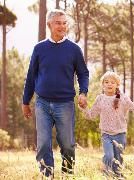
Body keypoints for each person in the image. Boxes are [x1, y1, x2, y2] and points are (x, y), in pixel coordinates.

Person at [22, 9, 89, 177]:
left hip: (65, 103)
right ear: (49, 24)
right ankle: (47, 175)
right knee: (43, 143)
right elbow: (31, 76)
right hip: (42, 103)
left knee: (67, 144)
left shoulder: (73, 49)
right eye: (58, 23)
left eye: (64, 23)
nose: (62, 26)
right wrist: (25, 102)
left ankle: (67, 174)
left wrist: (83, 92)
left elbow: (83, 73)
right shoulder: (39, 48)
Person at [79, 71, 134, 177]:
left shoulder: (123, 98)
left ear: (117, 85)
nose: (109, 84)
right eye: (106, 82)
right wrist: (84, 107)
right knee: (109, 156)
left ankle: (117, 177)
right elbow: (91, 115)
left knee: (118, 161)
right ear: (103, 84)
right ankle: (106, 175)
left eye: (112, 82)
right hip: (106, 134)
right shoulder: (100, 99)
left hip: (120, 134)